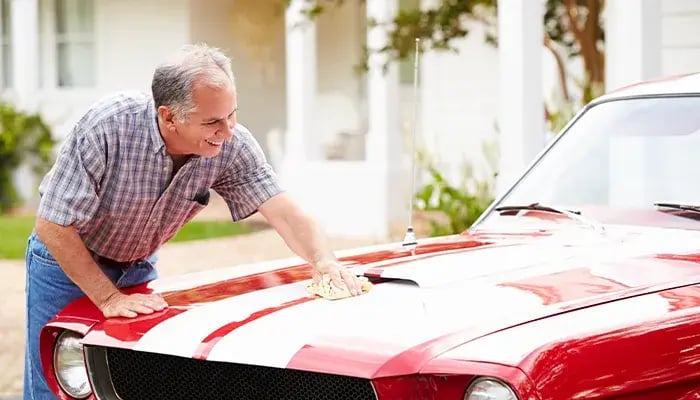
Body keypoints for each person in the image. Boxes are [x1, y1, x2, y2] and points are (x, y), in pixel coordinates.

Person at [23, 43, 362, 399]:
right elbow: (53, 225)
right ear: (169, 117)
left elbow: (285, 211)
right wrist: (108, 297)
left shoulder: (232, 144)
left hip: (138, 267)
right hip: (64, 266)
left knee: (129, 383)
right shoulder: (107, 126)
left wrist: (324, 261)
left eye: (232, 115)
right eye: (213, 121)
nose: (227, 130)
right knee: (59, 385)